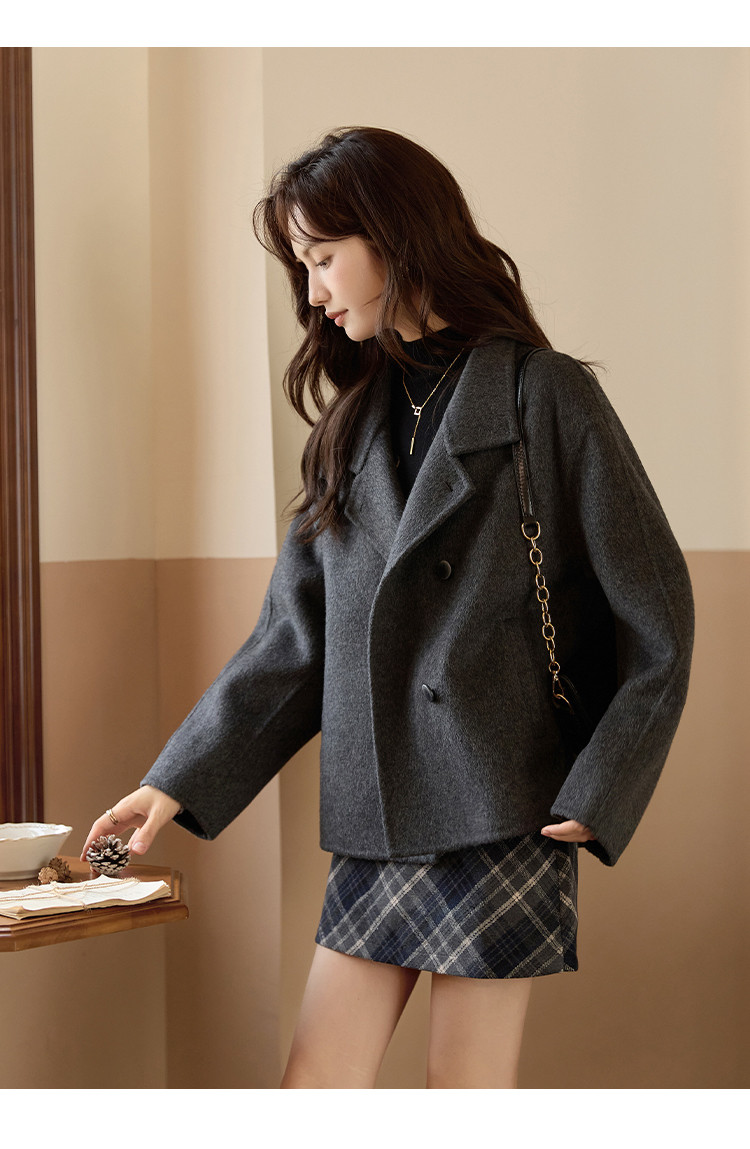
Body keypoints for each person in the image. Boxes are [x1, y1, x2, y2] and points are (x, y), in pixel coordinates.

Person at [81, 126, 695, 1089]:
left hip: (504, 802)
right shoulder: (352, 424)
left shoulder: (544, 395)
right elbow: (293, 642)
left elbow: (658, 615)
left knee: (462, 1095)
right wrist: (174, 782)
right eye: (303, 264)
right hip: (378, 812)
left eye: (324, 257)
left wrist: (602, 784)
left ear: (396, 235)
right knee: (315, 1089)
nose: (313, 290)